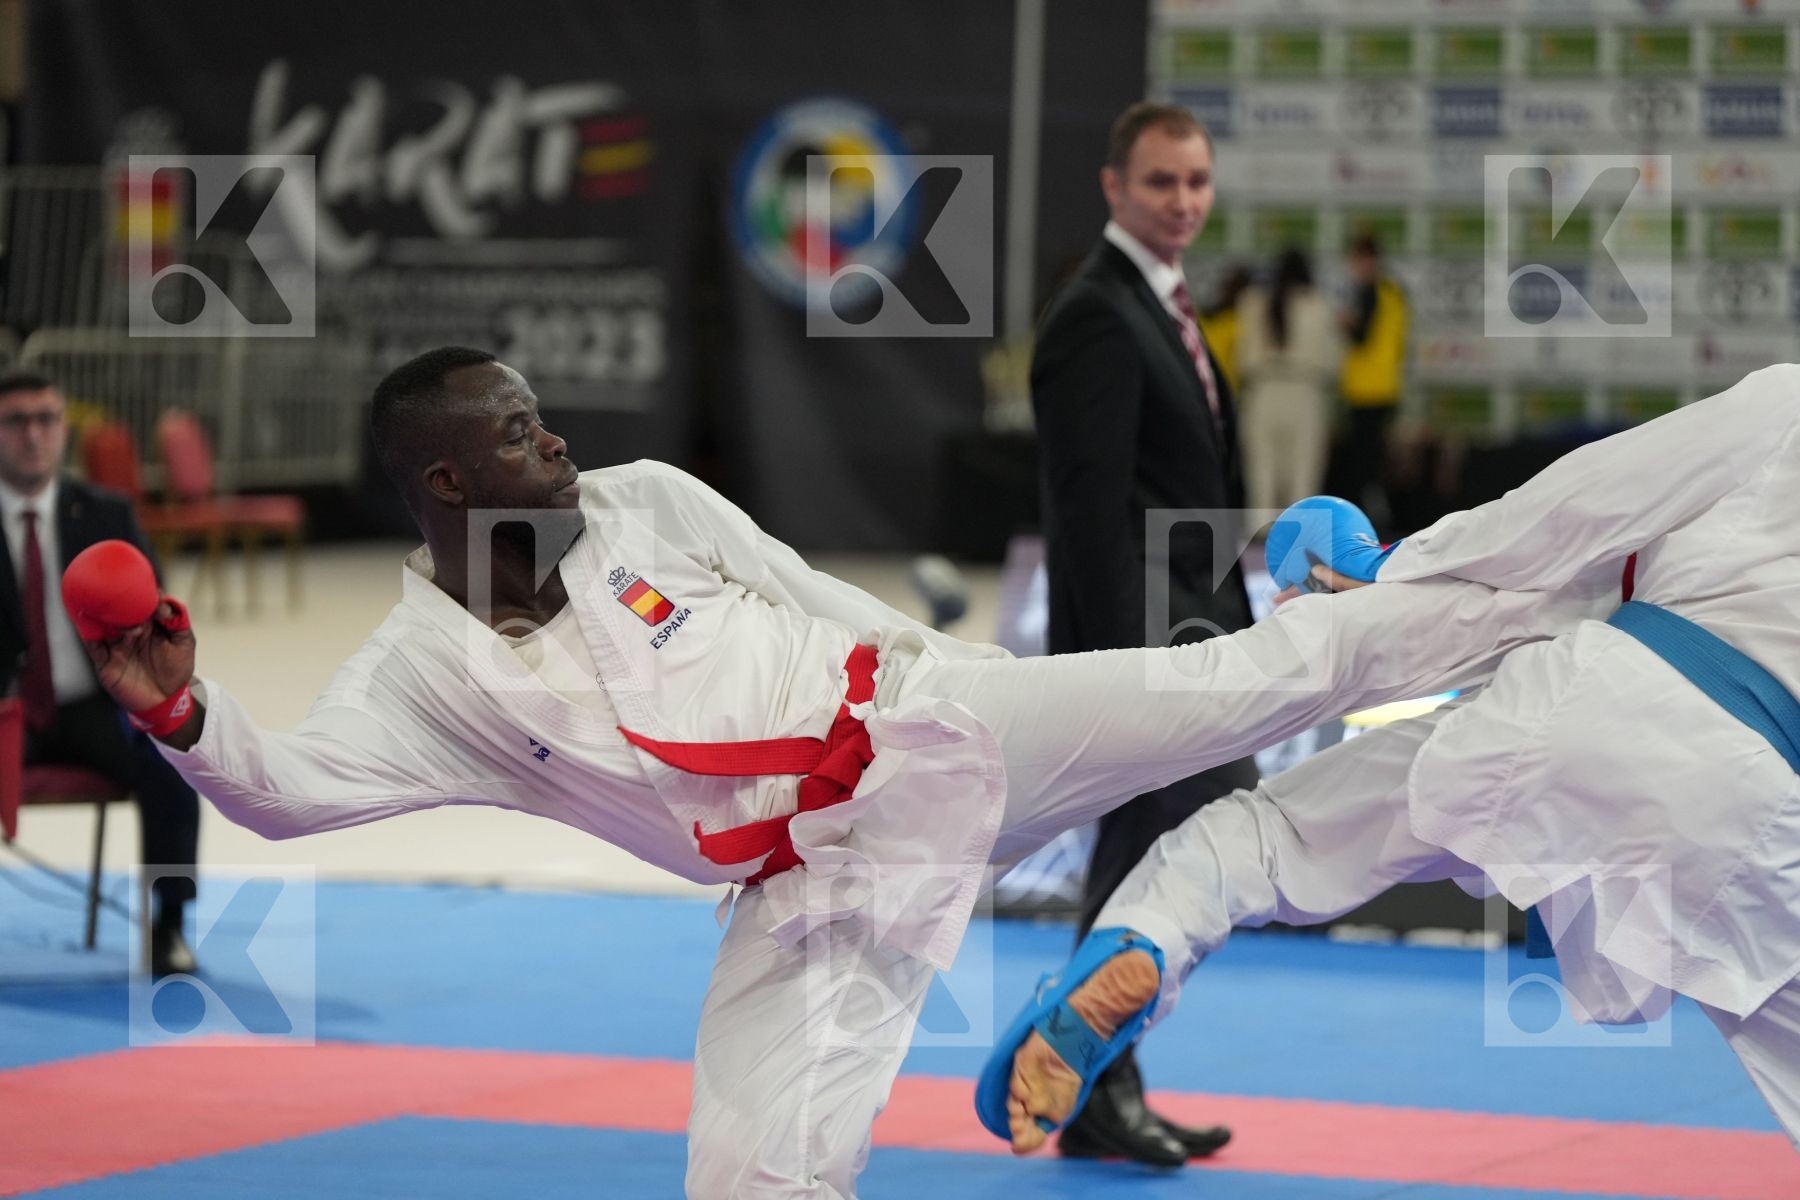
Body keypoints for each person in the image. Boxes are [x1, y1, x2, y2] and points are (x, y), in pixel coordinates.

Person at [82, 347, 1601, 1199]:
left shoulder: (648, 500)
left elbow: (829, 604)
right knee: (751, 1176)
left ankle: (1536, 595)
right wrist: (183, 714)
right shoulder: (423, 676)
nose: (560, 441)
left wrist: (1006, 695)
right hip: (807, 890)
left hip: (935, 729)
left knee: (1241, 683)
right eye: (524, 431)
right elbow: (288, 789)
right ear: (449, 481)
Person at [986, 362, 1800, 1154]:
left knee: (1268, 838)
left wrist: (1391, 565)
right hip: (1768, 817)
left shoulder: (1786, 404)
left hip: (1594, 712)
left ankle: (1147, 939)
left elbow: (1579, 507)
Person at [1026, 100, 1256, 1165]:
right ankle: (1088, 1086)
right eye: (1162, 182)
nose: (1184, 201)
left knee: (1151, 867)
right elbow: (1088, 511)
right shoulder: (1096, 316)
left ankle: (1095, 1088)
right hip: (1148, 648)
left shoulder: (1159, 303)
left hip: (1193, 630)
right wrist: (1125, 672)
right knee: (1150, 869)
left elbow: (1185, 487)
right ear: (1114, 187)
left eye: (1198, 182)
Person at [0, 371, 201, 975]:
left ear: (63, 429)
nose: (34, 435)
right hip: (5, 711)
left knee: (175, 757)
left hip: (92, 703)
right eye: (16, 421)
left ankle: (169, 924)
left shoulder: (107, 512)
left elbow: (153, 603)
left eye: (46, 419)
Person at [1237, 247, 1343, 512]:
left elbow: (1241, 357)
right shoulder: (1319, 305)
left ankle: (1258, 539)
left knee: (1261, 472)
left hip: (1262, 390)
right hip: (1305, 390)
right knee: (1303, 473)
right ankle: (1299, 541)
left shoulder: (1252, 302)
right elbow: (1333, 362)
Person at [1335, 231, 1409, 529]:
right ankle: (1379, 520)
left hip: (1365, 389)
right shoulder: (1395, 293)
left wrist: (1345, 323)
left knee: (1364, 464)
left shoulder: (1370, 292)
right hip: (1387, 386)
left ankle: (1370, 524)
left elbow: (1362, 337)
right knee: (1374, 461)